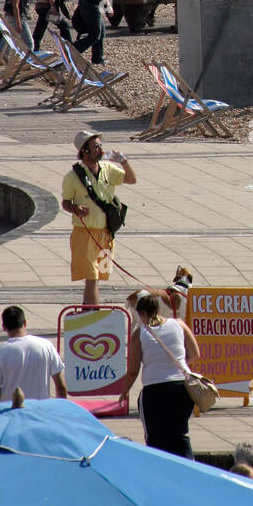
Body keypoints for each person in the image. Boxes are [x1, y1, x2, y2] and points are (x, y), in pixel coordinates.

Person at [61, 131, 136, 308]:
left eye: (100, 145)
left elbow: (132, 180)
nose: (100, 149)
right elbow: (65, 202)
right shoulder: (72, 177)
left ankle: (87, 308)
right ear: (84, 151)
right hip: (85, 234)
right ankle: (94, 315)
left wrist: (123, 161)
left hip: (106, 234)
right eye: (95, 146)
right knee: (92, 277)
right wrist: (74, 208)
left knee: (99, 276)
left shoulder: (108, 169)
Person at [120, 293, 200, 458]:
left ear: (141, 313)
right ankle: (189, 471)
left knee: (156, 439)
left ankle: (159, 474)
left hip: (155, 392)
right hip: (182, 389)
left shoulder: (139, 334)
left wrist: (124, 392)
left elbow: (133, 370)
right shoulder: (179, 324)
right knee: (180, 435)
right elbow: (195, 354)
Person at [0, 306, 67, 403]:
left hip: (11, 414)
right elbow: (61, 386)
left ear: (4, 327)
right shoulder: (46, 346)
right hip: (40, 413)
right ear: (25, 323)